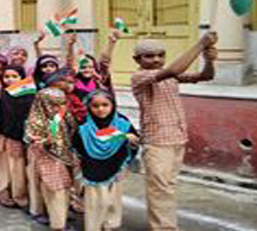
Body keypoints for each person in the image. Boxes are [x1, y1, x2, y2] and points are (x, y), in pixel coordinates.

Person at [130, 32, 218, 231]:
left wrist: (208, 59)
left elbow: (206, 76)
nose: (156, 59)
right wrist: (199, 44)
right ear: (137, 59)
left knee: (167, 186)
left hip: (177, 137)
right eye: (149, 56)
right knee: (160, 189)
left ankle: (165, 226)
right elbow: (174, 69)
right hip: (157, 140)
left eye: (161, 55)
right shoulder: (140, 76)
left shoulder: (171, 76)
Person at [72, 90, 139, 231]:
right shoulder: (84, 126)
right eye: (95, 106)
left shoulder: (122, 123)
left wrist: (130, 140)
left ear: (112, 105)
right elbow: (76, 147)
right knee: (96, 202)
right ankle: (93, 227)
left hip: (116, 167)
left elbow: (134, 143)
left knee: (112, 201)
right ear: (89, 107)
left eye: (105, 105)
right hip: (92, 168)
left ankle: (110, 225)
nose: (100, 109)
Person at [0, 43, 34, 209]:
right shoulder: (2, 92)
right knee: (4, 164)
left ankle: (20, 195)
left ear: (22, 78)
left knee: (18, 166)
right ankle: (2, 192)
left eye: (14, 76)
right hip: (3, 132)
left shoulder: (30, 92)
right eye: (6, 77)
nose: (9, 80)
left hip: (22, 135)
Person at [25, 69, 76, 231]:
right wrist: (48, 139)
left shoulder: (63, 115)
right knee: (56, 189)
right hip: (47, 157)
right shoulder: (36, 120)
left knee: (63, 187)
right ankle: (58, 224)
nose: (58, 108)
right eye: (53, 104)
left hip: (64, 156)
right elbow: (35, 139)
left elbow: (72, 129)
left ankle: (60, 215)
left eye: (61, 104)